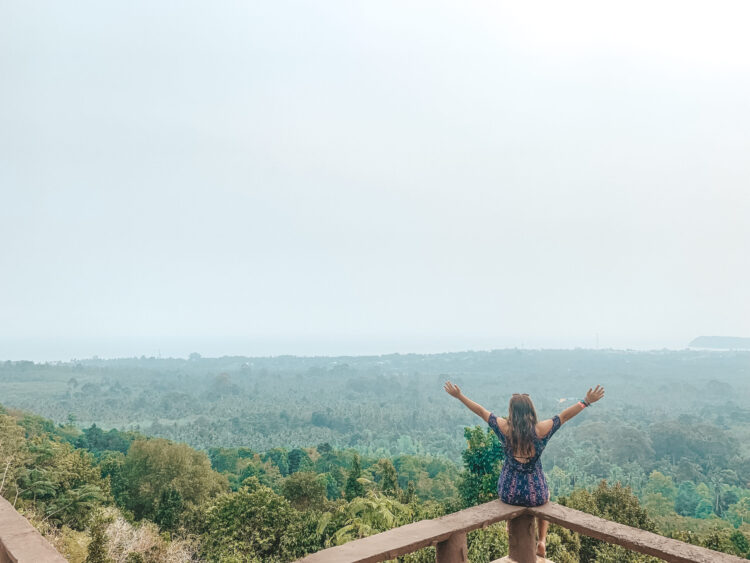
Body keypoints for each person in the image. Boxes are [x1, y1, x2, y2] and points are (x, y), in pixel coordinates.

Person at [444, 381, 605, 558]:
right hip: (535, 492)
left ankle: (509, 526)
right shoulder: (541, 429)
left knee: (506, 492)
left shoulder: (504, 428)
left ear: (512, 411)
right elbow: (564, 416)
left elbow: (481, 411)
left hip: (509, 492)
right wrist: (586, 401)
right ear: (531, 410)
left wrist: (459, 396)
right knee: (547, 496)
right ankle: (542, 540)